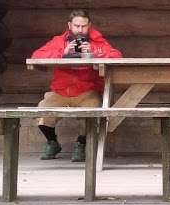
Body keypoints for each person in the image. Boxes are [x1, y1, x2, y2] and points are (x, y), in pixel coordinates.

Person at [31, 9, 122, 161]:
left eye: (84, 26)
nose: (80, 30)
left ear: (89, 25)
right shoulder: (59, 42)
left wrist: (93, 54)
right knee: (42, 110)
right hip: (60, 92)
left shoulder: (97, 42)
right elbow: (37, 55)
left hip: (87, 92)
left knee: (93, 111)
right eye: (77, 26)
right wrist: (63, 53)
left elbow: (116, 56)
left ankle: (81, 144)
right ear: (69, 25)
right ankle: (52, 142)